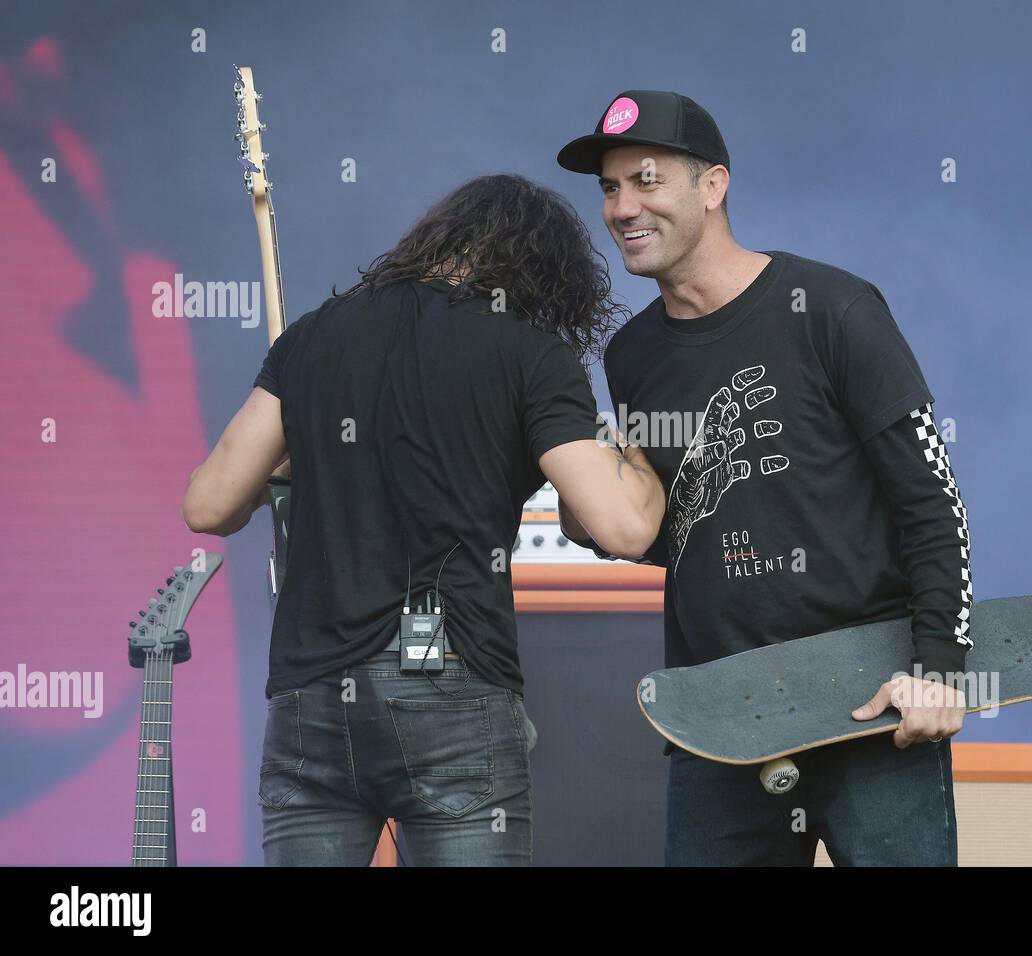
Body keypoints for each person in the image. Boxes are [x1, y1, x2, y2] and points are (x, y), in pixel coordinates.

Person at [182, 174, 665, 865]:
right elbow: (622, 527)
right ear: (542, 271)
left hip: (312, 695)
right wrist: (641, 453)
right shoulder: (530, 353)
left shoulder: (315, 335)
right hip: (450, 679)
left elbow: (209, 504)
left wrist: (291, 471)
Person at [556, 91, 972, 866]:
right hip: (723, 720)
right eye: (610, 189)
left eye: (645, 180)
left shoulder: (833, 309)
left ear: (713, 185)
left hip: (872, 707)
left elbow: (932, 501)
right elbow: (681, 535)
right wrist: (594, 519)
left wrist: (938, 668)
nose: (621, 207)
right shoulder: (632, 356)